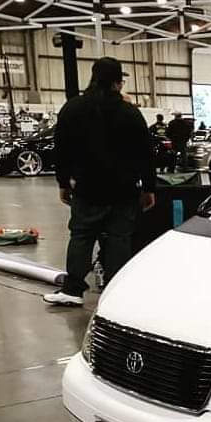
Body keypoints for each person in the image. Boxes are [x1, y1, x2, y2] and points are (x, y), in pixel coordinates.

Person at [43, 56, 156, 307]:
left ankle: (73, 290)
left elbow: (61, 149)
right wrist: (149, 188)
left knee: (81, 236)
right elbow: (145, 153)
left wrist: (63, 182)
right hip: (124, 189)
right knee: (119, 239)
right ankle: (116, 294)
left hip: (87, 188)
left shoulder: (73, 108)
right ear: (118, 82)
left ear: (93, 77)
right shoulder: (130, 113)